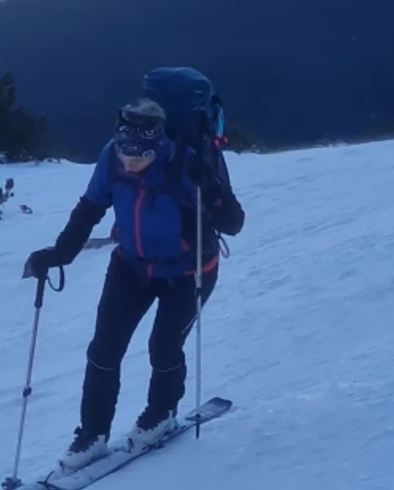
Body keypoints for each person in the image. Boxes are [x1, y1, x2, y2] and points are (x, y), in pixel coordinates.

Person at [23, 97, 245, 472]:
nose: (130, 164)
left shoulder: (188, 164)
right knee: (104, 349)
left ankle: (160, 413)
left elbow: (234, 223)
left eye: (138, 158)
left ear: (157, 149)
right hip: (131, 266)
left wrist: (212, 190)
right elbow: (89, 210)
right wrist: (61, 253)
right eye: (125, 157)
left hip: (189, 271)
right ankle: (92, 435)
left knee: (163, 345)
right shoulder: (112, 157)